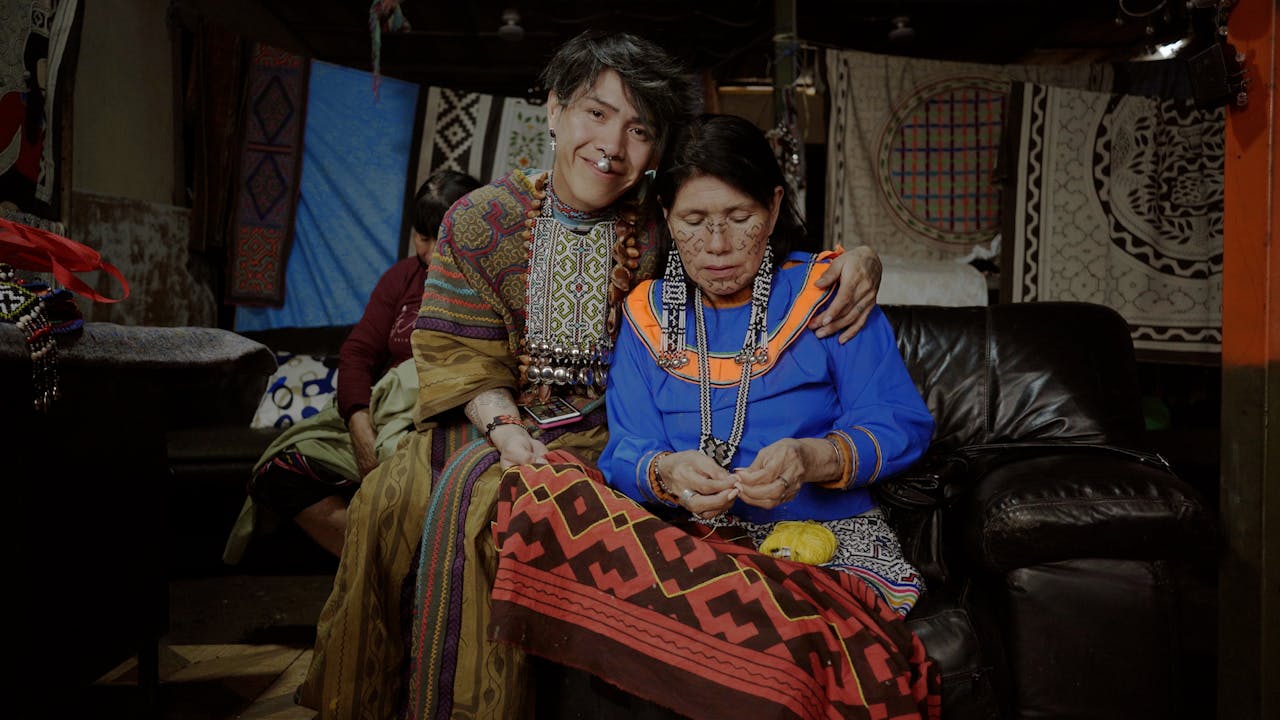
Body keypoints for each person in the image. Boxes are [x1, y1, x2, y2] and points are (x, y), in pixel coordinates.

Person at [298, 31, 884, 719]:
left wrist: (862, 258)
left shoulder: (669, 220)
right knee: (393, 501)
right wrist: (507, 429)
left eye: (640, 129)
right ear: (552, 110)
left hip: (609, 439)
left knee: (506, 510)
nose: (614, 144)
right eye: (596, 113)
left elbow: (764, 241)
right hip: (484, 423)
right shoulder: (480, 220)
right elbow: (461, 352)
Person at [487, 114, 938, 719]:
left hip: (823, 546)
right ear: (666, 219)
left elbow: (900, 424)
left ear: (774, 208)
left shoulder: (827, 293)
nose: (719, 246)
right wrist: (667, 471)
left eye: (740, 218)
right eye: (694, 222)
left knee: (736, 640)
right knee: (552, 499)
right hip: (691, 546)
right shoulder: (647, 315)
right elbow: (626, 448)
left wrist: (812, 458)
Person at [224, 170, 481, 561]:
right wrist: (360, 424)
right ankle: (386, 567)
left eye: (440, 239)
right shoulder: (402, 278)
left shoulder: (488, 285)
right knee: (281, 473)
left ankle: (396, 572)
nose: (428, 252)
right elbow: (358, 353)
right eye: (421, 236)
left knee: (420, 483)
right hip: (384, 413)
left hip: (443, 418)